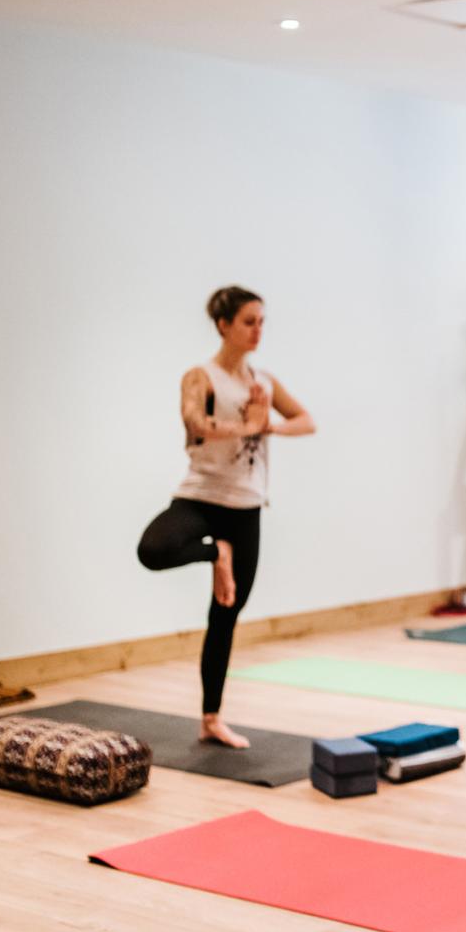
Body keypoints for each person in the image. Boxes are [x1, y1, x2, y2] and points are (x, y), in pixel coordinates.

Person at [136, 286, 315, 748]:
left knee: (225, 615)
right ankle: (217, 552)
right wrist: (247, 425)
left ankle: (211, 719)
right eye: (248, 321)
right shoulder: (202, 377)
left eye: (261, 321)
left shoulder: (265, 382)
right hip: (199, 498)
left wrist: (269, 422)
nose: (257, 330)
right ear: (223, 325)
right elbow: (195, 422)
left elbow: (306, 421)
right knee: (153, 550)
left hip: (246, 507)